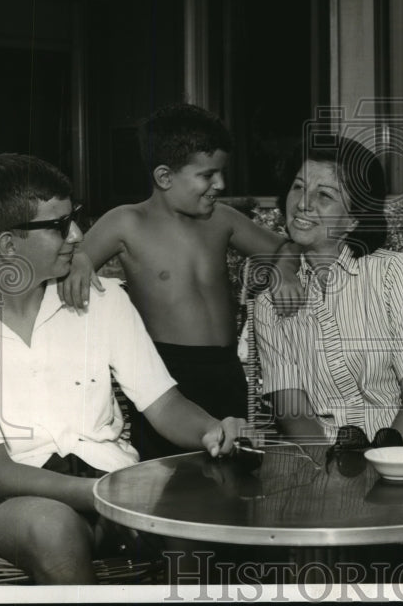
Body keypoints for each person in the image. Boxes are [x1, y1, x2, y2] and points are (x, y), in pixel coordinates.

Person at [0, 154, 244, 585]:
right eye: (57, 226)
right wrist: (109, 495)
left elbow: (163, 403)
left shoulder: (103, 300)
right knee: (52, 528)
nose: (77, 235)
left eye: (73, 217)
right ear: (9, 245)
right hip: (16, 501)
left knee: (199, 511)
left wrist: (209, 430)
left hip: (110, 474)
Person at [60, 103, 301, 459]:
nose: (220, 184)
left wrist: (283, 269)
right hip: (163, 378)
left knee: (236, 470)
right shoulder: (127, 222)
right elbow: (76, 260)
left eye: (221, 173)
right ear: (164, 177)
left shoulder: (223, 219)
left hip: (225, 370)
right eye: (208, 175)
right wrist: (79, 263)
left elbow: (285, 249)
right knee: (168, 479)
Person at [252, 135, 403, 448]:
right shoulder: (270, 302)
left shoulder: (393, 273)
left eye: (325, 195)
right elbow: (293, 414)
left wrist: (385, 465)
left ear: (354, 219)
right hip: (330, 467)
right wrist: (332, 476)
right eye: (298, 187)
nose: (303, 203)